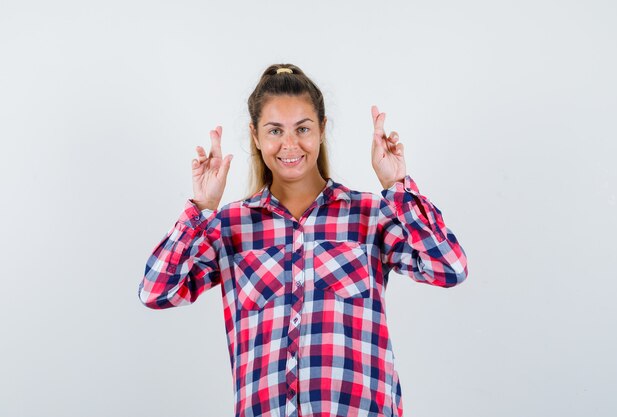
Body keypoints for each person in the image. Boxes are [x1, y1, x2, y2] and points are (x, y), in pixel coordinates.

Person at [138, 63, 468, 417]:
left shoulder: (370, 216)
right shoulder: (230, 226)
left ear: (322, 129)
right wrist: (201, 209)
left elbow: (449, 268)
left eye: (303, 128)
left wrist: (397, 187)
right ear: (255, 136)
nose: (290, 144)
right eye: (275, 130)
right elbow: (156, 292)